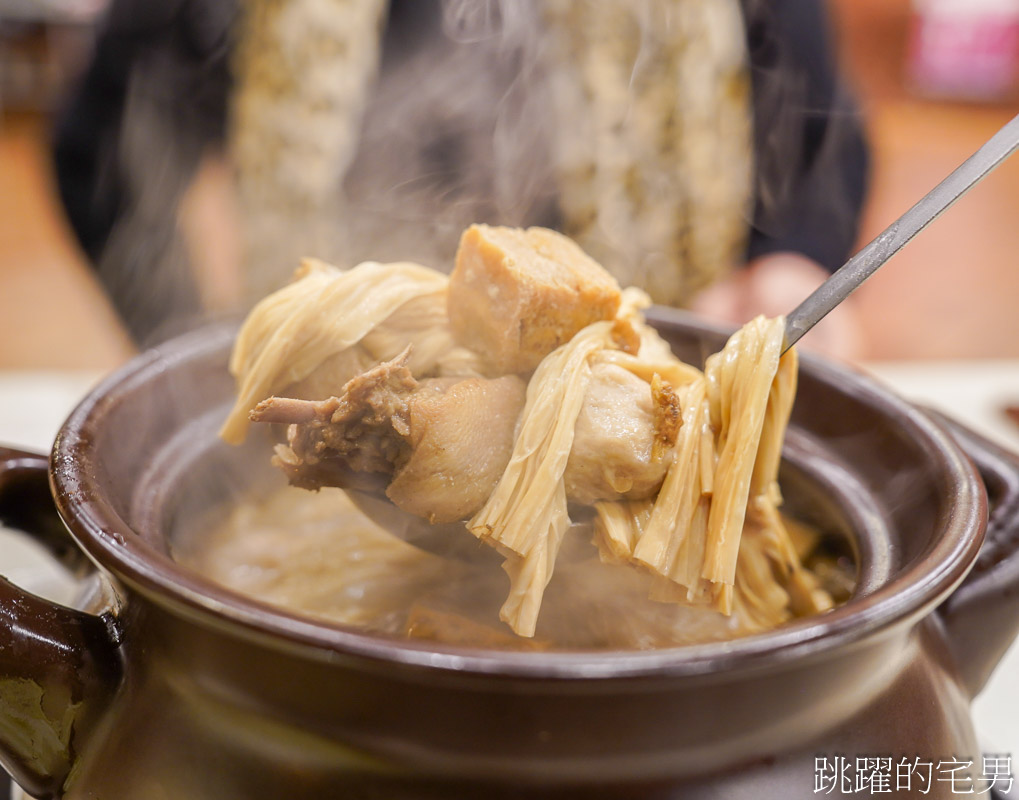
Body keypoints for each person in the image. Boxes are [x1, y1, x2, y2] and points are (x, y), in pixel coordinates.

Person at [53, 0, 868, 356]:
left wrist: (793, 259)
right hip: (335, 386)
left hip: (650, 378)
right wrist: (189, 357)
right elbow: (103, 142)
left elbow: (815, 127)